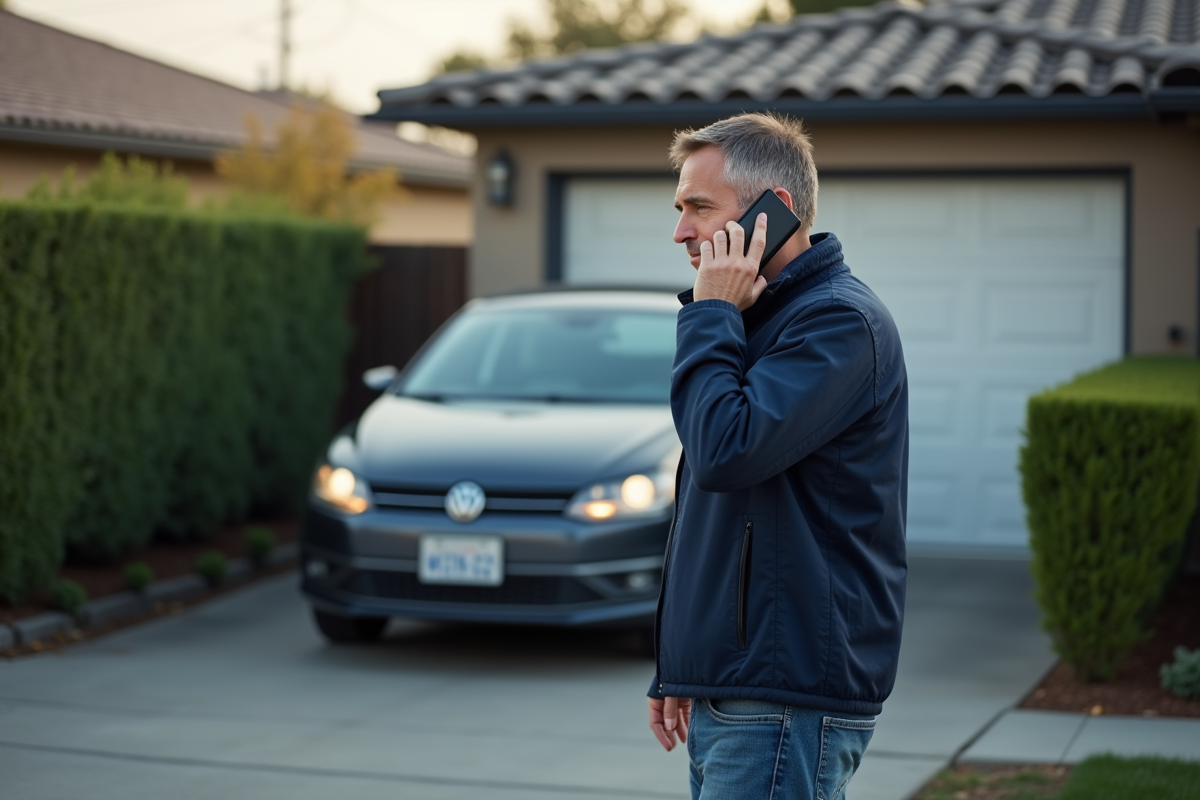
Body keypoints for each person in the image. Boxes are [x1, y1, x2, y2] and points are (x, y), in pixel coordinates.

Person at [647, 112, 908, 800]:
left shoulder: (838, 323)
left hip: (781, 696)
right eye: (680, 209)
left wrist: (710, 315)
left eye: (699, 208)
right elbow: (716, 511)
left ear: (774, 213)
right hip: (739, 690)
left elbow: (724, 452)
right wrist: (682, 668)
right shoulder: (760, 319)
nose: (681, 231)